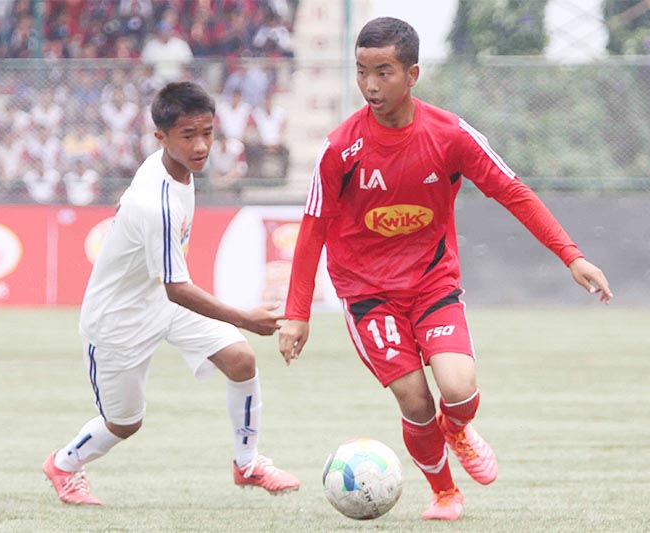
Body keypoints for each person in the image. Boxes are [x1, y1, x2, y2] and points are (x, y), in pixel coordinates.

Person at [278, 17, 613, 522]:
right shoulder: (339, 149)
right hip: (368, 293)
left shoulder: (450, 135)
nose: (370, 85)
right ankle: (444, 493)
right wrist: (296, 313)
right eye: (362, 71)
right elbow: (312, 229)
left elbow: (513, 192)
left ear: (412, 74)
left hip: (433, 283)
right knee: (414, 400)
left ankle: (456, 428)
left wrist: (571, 255)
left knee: (458, 390)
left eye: (383, 72)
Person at [43, 81, 300, 505]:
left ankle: (248, 463)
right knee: (125, 424)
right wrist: (245, 318)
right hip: (118, 322)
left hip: (161, 300)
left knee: (241, 359)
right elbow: (178, 288)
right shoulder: (157, 203)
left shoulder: (174, 168)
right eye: (188, 136)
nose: (201, 146)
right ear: (160, 137)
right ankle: (64, 464)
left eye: (208, 133)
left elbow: (169, 285)